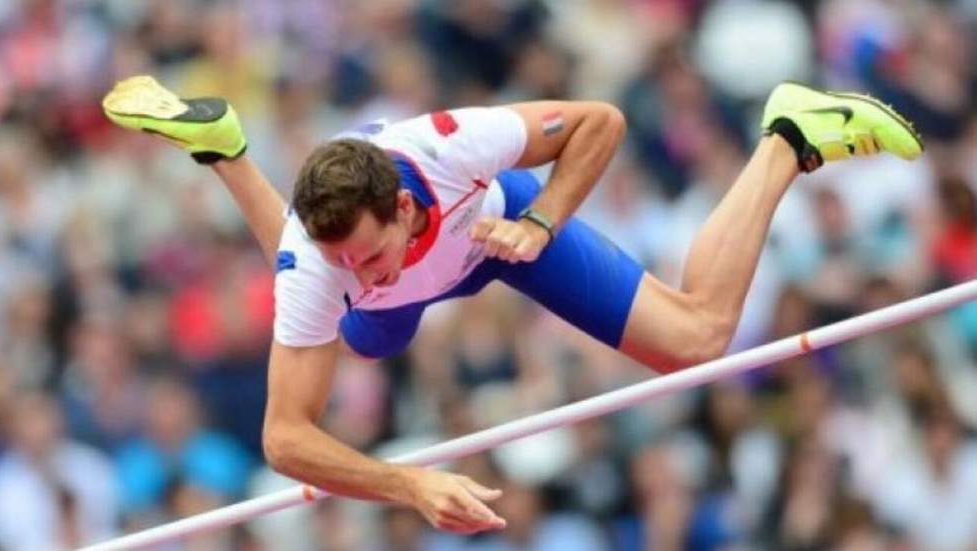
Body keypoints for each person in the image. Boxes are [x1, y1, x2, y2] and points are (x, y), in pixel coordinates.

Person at [102, 75, 923, 535]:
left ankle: (788, 136)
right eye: (340, 257)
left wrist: (541, 220)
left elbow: (601, 122)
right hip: (417, 263)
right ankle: (226, 151)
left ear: (404, 208)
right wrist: (409, 484)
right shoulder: (325, 267)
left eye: (370, 253)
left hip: (502, 230)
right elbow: (284, 438)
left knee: (699, 338)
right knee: (363, 331)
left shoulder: (454, 143)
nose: (362, 271)